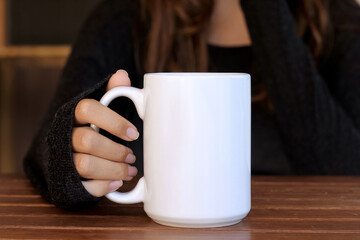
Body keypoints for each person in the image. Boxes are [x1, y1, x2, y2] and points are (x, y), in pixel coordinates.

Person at [24, 0, 360, 209]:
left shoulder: (340, 21)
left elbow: (347, 175)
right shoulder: (127, 17)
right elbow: (47, 149)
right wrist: (71, 158)